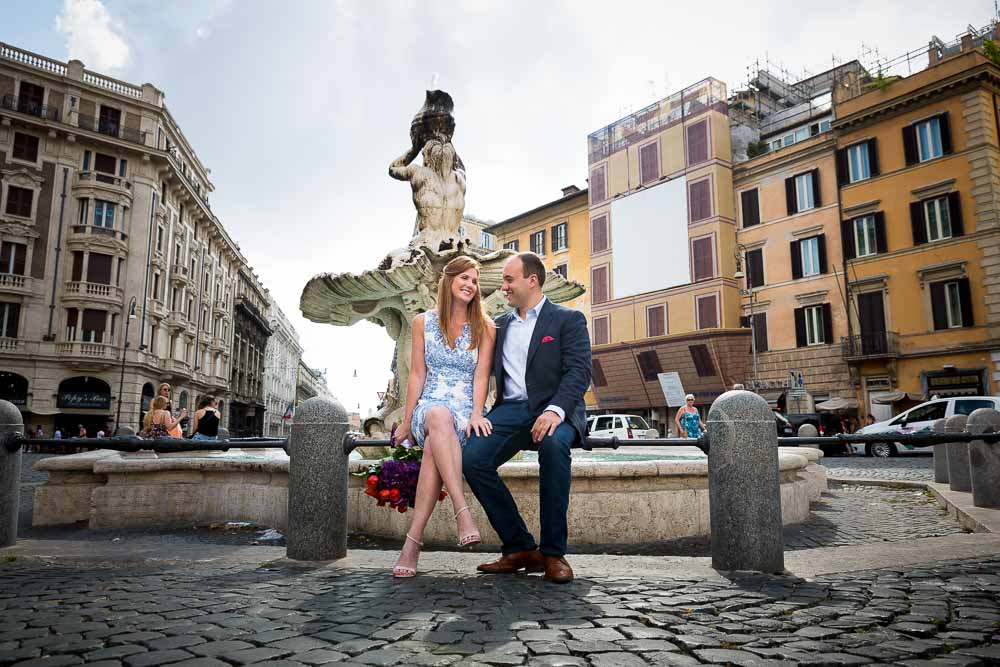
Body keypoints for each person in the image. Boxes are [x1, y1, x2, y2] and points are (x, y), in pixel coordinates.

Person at [463, 252, 592, 584]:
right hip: (510, 411)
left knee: (553, 447)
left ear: (531, 281)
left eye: (509, 280)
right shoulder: (499, 326)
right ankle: (520, 547)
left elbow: (579, 373)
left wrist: (555, 410)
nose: (503, 287)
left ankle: (553, 554)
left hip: (557, 408)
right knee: (472, 458)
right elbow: (475, 370)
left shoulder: (567, 320)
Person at [390, 256, 494, 577]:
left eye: (475, 281)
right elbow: (417, 375)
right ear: (448, 281)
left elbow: (481, 377)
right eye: (464, 277)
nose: (470, 285)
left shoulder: (485, 327)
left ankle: (412, 542)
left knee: (439, 438)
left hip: (464, 414)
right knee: (436, 416)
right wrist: (407, 421)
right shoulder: (423, 322)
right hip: (428, 408)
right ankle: (463, 511)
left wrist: (477, 412)